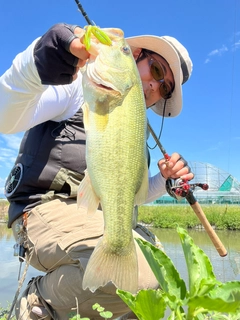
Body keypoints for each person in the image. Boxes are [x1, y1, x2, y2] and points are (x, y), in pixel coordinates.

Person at [0, 23, 193, 320]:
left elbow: (128, 196)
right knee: (139, 278)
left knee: (157, 270)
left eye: (165, 87)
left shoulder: (135, 133)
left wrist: (164, 181)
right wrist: (37, 62)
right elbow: (5, 118)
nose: (156, 86)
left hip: (93, 216)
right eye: (156, 70)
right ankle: (39, 302)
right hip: (41, 210)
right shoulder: (77, 87)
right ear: (137, 56)